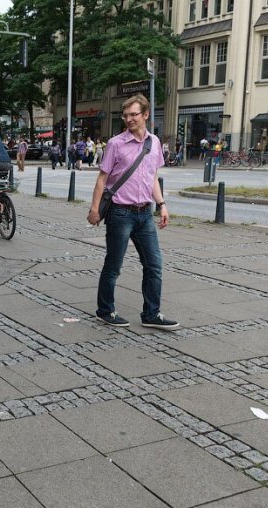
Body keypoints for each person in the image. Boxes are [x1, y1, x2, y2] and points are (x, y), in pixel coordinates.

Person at [86, 94, 179, 331]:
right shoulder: (116, 143)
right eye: (125, 115)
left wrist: (162, 204)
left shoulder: (154, 143)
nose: (128, 119)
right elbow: (102, 179)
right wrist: (94, 209)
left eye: (133, 114)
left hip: (144, 214)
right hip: (120, 214)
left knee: (154, 265)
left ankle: (152, 314)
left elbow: (152, 178)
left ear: (145, 115)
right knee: (114, 265)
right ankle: (105, 311)